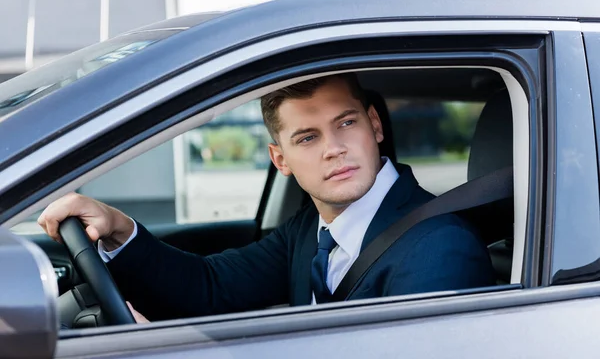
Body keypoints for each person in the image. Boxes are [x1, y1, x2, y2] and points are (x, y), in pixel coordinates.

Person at [38, 73, 496, 322]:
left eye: (347, 123)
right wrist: (119, 228)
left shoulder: (440, 246)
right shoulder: (312, 231)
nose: (334, 148)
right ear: (281, 160)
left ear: (375, 125)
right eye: (307, 138)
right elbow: (211, 288)